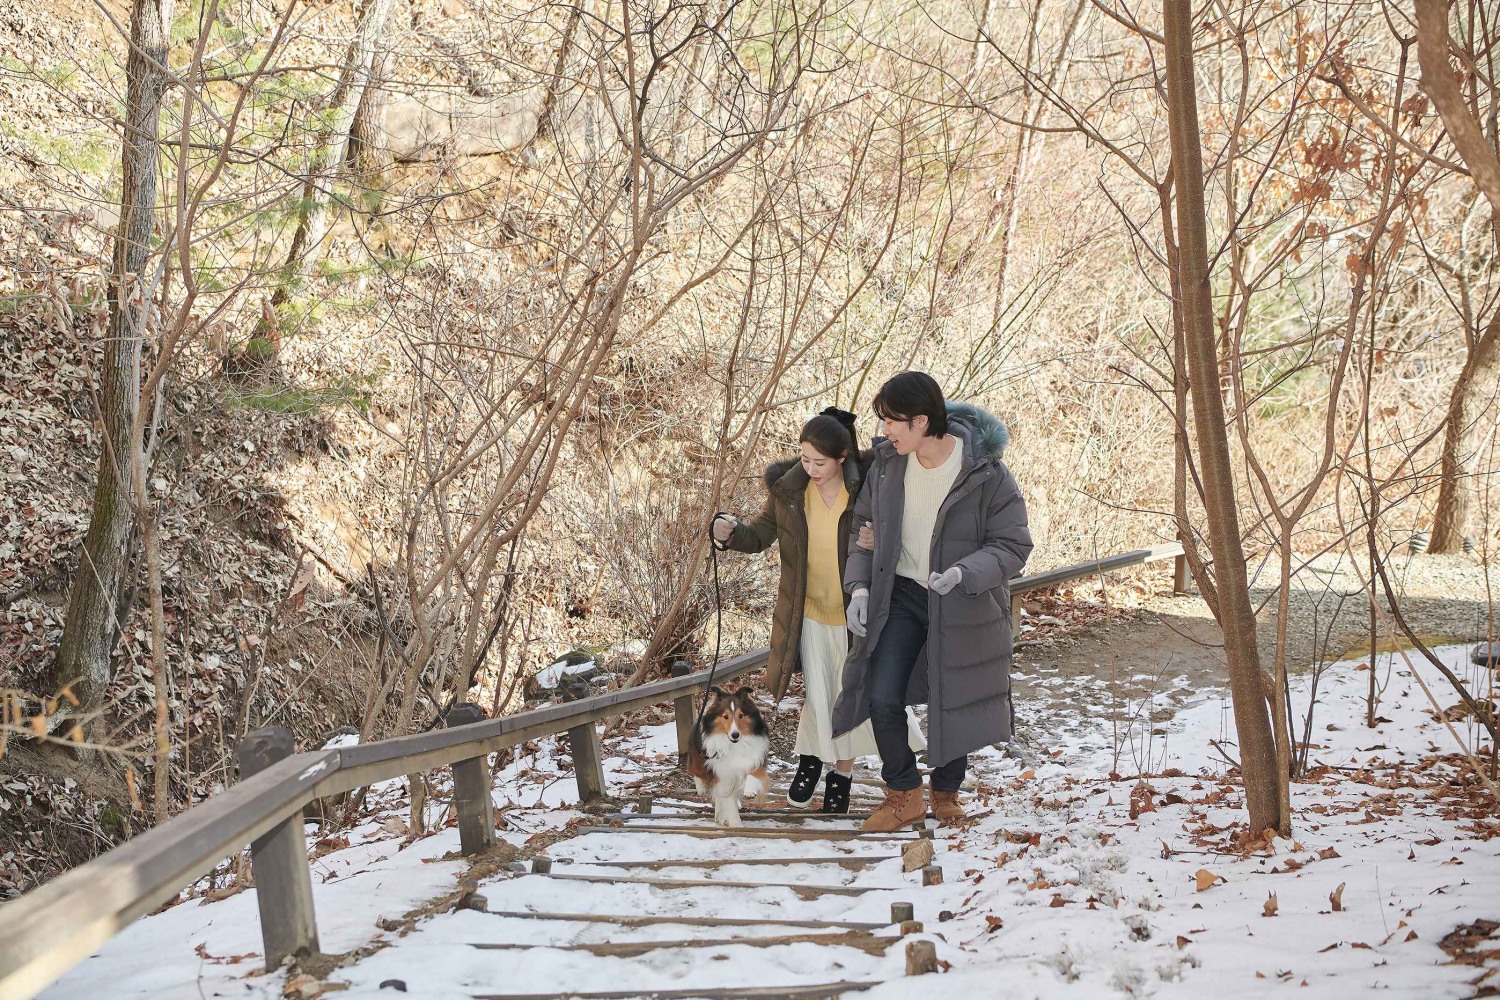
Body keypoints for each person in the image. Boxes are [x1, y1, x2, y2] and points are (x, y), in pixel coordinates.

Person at [832, 372, 1032, 831]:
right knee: (881, 695)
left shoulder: (985, 472)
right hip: (899, 596)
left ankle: (946, 791)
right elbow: (862, 535)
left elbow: (1013, 545)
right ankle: (903, 793)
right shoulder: (886, 467)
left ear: (922, 421)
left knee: (952, 693)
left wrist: (964, 573)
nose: (885, 431)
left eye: (893, 421)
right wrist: (859, 588)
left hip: (961, 600)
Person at [711, 408, 924, 813]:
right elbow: (757, 535)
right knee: (820, 694)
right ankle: (811, 759)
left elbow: (905, 533)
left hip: (855, 613)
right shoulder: (788, 493)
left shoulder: (867, 489)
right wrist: (729, 533)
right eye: (804, 459)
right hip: (807, 612)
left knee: (854, 694)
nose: (810, 469)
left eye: (820, 462)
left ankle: (841, 772)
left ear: (843, 457)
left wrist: (880, 538)